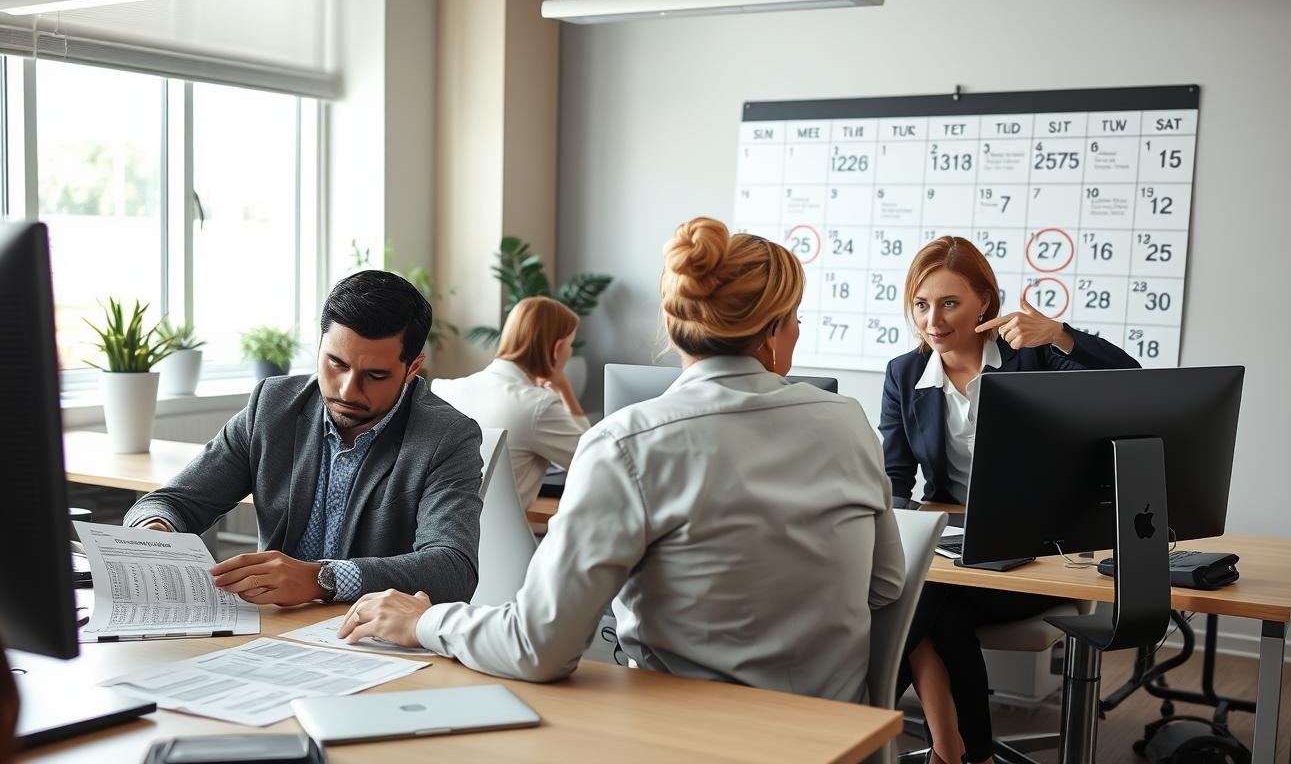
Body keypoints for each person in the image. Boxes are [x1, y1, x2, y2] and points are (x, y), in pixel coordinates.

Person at [338, 217, 907, 704]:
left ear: (672, 324)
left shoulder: (629, 443)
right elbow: (883, 585)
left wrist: (423, 621)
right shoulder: (847, 421)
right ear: (773, 331)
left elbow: (540, 646)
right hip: (832, 739)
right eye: (796, 318)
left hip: (685, 738)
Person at [880, 236, 1139, 764]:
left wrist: (1063, 335)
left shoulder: (1036, 357)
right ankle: (960, 753)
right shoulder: (905, 374)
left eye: (950, 303)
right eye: (922, 304)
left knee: (915, 605)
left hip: (1039, 552)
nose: (934, 320)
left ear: (985, 303)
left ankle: (856, 720)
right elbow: (896, 481)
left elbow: (1130, 384)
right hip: (954, 549)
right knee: (936, 609)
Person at [123, 270, 484, 606]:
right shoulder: (272, 406)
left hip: (376, 638)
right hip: (273, 632)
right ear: (320, 345)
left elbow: (453, 569)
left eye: (375, 375)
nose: (347, 389)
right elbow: (174, 501)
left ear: (412, 369)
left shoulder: (446, 437)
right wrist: (156, 529)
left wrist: (322, 578)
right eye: (336, 363)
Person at [432, 296, 589, 510]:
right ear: (557, 348)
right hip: (509, 543)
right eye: (570, 345)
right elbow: (592, 458)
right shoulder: (538, 407)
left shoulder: (445, 391)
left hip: (440, 537)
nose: (570, 353)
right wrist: (566, 391)